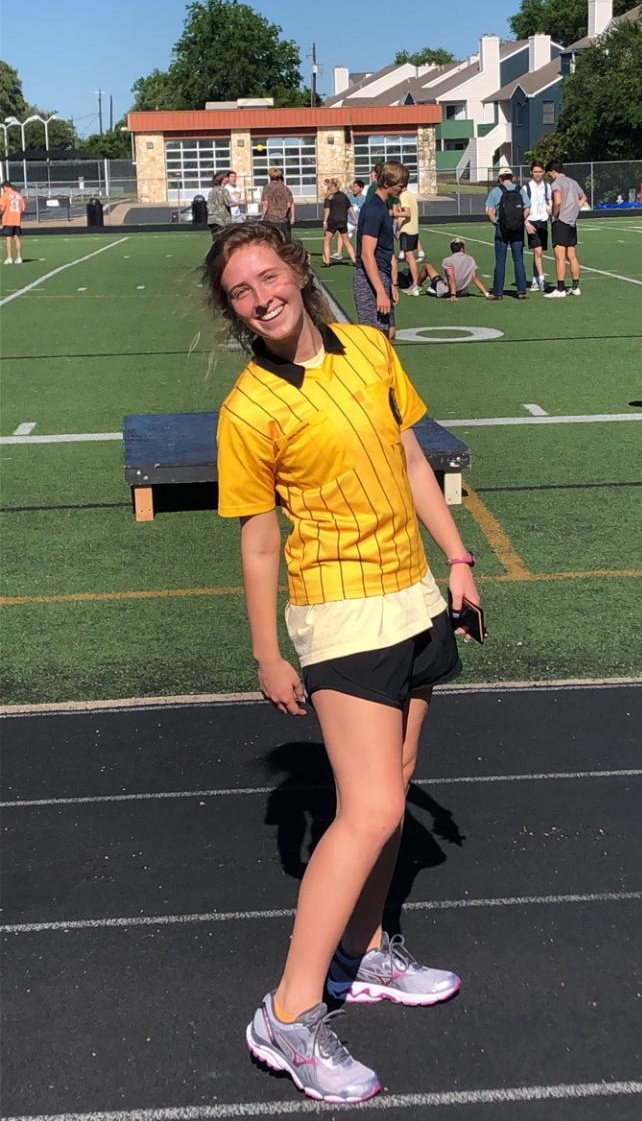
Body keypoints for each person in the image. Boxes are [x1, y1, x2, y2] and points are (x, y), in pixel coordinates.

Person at [205, 221, 478, 1105]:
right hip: (338, 611)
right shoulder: (249, 409)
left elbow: (410, 458)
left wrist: (458, 558)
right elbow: (259, 542)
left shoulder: (369, 349)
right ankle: (287, 1014)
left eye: (269, 276)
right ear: (232, 310)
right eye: (241, 292)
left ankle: (363, 954)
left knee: (399, 779)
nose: (261, 298)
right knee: (371, 809)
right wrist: (266, 652)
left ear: (297, 269)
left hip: (413, 594)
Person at [354, 161, 407, 340]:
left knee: (389, 332)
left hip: (382, 275)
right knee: (376, 337)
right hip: (369, 278)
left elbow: (386, 250)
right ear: (386, 183)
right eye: (400, 185)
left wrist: (392, 284)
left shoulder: (383, 206)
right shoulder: (374, 209)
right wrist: (380, 291)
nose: (402, 189)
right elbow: (367, 254)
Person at [485, 167, 530, 300]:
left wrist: (497, 223)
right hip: (518, 229)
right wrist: (520, 220)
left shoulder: (495, 191)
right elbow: (527, 208)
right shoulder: (520, 190)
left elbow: (490, 212)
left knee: (500, 261)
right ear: (512, 177)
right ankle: (521, 291)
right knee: (519, 260)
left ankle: (498, 292)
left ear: (500, 178)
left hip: (502, 229)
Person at [545, 159, 587, 297]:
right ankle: (575, 287)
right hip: (571, 223)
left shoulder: (556, 183)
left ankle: (560, 289)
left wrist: (554, 215)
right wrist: (574, 209)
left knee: (560, 257)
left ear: (553, 171)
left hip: (561, 222)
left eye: (548, 174)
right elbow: (583, 197)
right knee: (572, 256)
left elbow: (557, 201)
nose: (548, 177)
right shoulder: (573, 182)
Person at [421, 239, 490, 300]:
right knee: (440, 278)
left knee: (427, 266)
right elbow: (475, 278)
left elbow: (451, 276)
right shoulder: (470, 259)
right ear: (462, 248)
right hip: (463, 292)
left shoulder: (448, 260)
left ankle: (417, 286)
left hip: (447, 291)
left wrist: (453, 294)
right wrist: (486, 293)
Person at [522, 161, 553, 291]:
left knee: (538, 252)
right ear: (531, 172)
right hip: (531, 221)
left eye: (540, 171)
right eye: (535, 172)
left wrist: (551, 214)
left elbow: (549, 202)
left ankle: (534, 280)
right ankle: (541, 280)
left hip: (543, 221)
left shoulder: (547, 186)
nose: (538, 174)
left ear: (544, 172)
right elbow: (523, 208)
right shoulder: (526, 188)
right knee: (538, 251)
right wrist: (526, 223)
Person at [322, 179, 356, 266]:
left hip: (332, 221)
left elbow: (327, 210)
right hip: (343, 220)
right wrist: (355, 218)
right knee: (346, 241)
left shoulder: (329, 196)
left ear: (332, 185)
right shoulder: (343, 195)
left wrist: (325, 221)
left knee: (327, 240)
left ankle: (327, 261)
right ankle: (354, 260)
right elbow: (350, 207)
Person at [395, 185, 421, 294]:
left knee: (410, 257)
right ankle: (414, 282)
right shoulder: (410, 195)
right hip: (413, 230)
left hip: (407, 231)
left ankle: (416, 284)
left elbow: (407, 213)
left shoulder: (403, 196)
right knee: (408, 257)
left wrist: (393, 213)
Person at [261, 167, 294, 243]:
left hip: (270, 219)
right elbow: (289, 204)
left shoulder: (266, 188)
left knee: (271, 241)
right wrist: (292, 216)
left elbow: (265, 204)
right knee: (285, 242)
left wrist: (262, 216)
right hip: (283, 219)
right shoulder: (285, 188)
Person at [1, 180, 26, 263]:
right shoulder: (18, 195)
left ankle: (9, 257)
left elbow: (2, 208)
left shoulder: (5, 195)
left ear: (5, 187)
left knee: (8, 238)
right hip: (17, 220)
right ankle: (19, 257)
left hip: (8, 220)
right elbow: (23, 208)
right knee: (17, 238)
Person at [206, 172, 234, 239]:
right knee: (224, 239)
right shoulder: (224, 191)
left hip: (212, 219)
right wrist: (240, 202)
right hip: (222, 220)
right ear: (222, 180)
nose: (227, 179)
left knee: (216, 240)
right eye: (226, 177)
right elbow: (229, 203)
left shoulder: (211, 191)